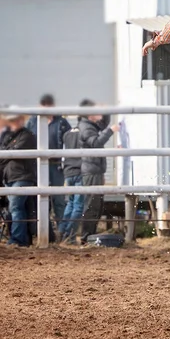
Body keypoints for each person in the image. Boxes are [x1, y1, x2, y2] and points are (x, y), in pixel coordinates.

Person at [78, 100, 119, 244]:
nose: (99, 114)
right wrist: (111, 131)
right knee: (92, 205)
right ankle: (86, 236)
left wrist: (106, 109)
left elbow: (103, 123)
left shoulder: (89, 125)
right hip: (92, 170)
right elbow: (96, 143)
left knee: (96, 205)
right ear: (90, 114)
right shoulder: (87, 127)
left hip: (95, 169)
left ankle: (89, 236)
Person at [27, 94, 71, 228]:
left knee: (58, 199)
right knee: (39, 198)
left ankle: (62, 231)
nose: (46, 109)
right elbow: (27, 140)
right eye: (43, 105)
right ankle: (41, 229)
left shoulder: (62, 122)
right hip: (37, 166)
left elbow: (69, 139)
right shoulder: (33, 121)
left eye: (48, 105)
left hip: (56, 165)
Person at [0, 111, 37, 247]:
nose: (14, 123)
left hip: (21, 176)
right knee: (16, 208)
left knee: (15, 207)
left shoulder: (27, 136)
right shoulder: (10, 136)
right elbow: (6, 153)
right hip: (12, 176)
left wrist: (8, 152)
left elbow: (9, 153)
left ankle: (17, 240)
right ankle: (21, 239)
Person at [58, 115, 85, 244]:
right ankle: (70, 236)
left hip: (68, 172)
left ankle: (62, 231)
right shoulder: (85, 134)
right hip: (80, 170)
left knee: (70, 204)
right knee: (78, 206)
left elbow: (63, 154)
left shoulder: (67, 134)